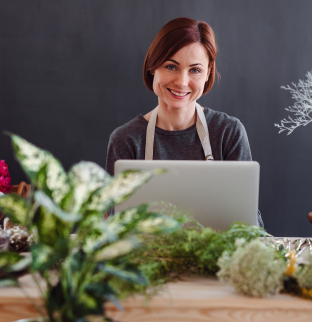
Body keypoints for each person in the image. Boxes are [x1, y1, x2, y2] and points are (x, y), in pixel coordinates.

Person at [106, 17, 260, 225]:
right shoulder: (126, 140)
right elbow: (115, 226)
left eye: (195, 70)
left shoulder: (228, 133)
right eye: (171, 66)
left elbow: (249, 223)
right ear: (153, 68)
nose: (181, 82)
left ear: (208, 74)